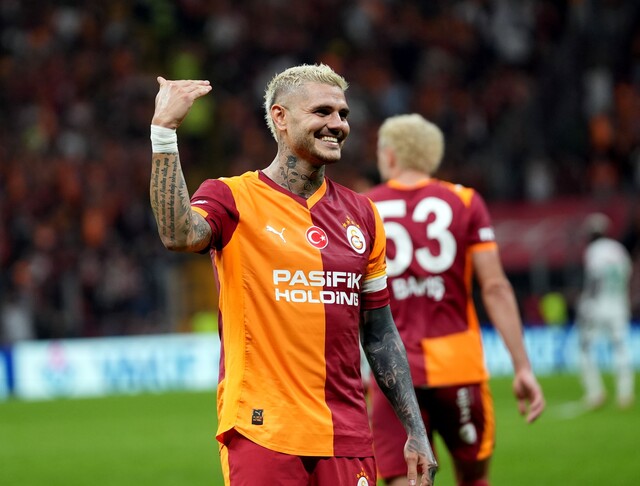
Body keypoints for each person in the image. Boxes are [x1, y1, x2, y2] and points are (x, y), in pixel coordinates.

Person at [149, 65, 437, 486]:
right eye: (322, 112)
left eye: (343, 114)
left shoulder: (363, 214)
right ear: (280, 117)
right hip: (263, 429)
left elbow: (379, 332)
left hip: (347, 434)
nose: (338, 124)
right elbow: (178, 235)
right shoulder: (233, 197)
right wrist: (164, 132)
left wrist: (415, 429)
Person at [366, 114, 545, 486]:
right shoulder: (465, 201)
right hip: (458, 366)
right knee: (473, 477)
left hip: (391, 371)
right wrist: (522, 366)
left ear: (391, 154)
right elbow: (494, 287)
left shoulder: (365, 207)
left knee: (405, 478)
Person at [576, 212, 634, 409]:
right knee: (620, 348)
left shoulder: (595, 250)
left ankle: (595, 392)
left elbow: (595, 278)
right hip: (619, 304)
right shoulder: (619, 250)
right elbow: (627, 276)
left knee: (585, 348)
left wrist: (588, 303)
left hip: (598, 305)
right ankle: (625, 393)